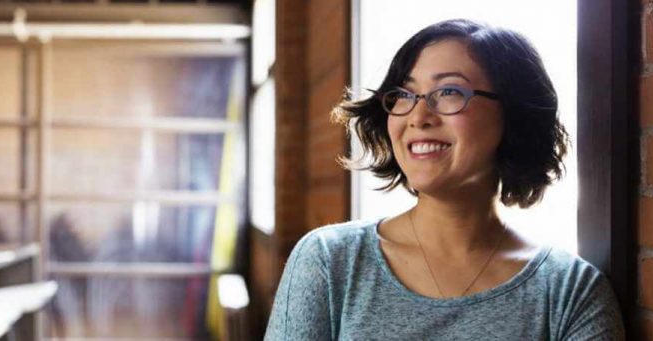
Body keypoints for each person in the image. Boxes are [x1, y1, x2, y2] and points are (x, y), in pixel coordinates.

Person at [264, 19, 625, 340]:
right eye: (404, 94)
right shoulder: (331, 260)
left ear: (513, 114)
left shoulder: (569, 291)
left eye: (449, 91)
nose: (418, 116)